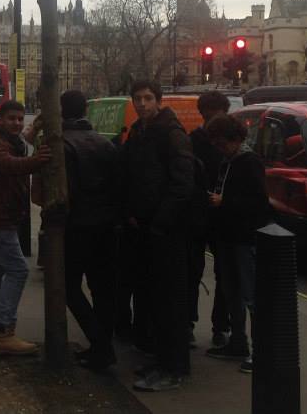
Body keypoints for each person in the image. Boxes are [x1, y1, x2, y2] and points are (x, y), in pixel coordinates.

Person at [121, 80, 195, 392]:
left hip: (168, 230)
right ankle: (162, 359)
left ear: (159, 100)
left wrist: (161, 222)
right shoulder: (140, 131)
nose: (142, 104)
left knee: (171, 302)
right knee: (154, 300)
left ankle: (175, 368)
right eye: (137, 98)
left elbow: (182, 183)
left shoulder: (171, 133)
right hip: (147, 227)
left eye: (148, 98)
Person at [0, 99, 50, 355]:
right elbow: (8, 165)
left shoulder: (14, 142)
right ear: (0, 120)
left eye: (20, 119)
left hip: (3, 215)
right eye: (11, 119)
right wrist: (38, 161)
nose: (17, 123)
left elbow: (25, 140)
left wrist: (37, 128)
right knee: (18, 270)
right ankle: (4, 331)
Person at [204, 114, 273, 374]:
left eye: (222, 144)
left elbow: (258, 202)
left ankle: (261, 351)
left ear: (235, 139)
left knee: (250, 295)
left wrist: (224, 202)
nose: (219, 148)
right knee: (232, 294)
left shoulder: (249, 162)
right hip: (227, 236)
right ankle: (238, 342)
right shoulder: (228, 161)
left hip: (245, 238)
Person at [57, 89, 119, 371]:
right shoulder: (103, 143)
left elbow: (64, 193)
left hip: (77, 226)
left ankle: (102, 346)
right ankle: (102, 345)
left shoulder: (63, 144)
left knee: (69, 288)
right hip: (106, 225)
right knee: (102, 287)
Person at [189, 90, 232, 348]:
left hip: (219, 215)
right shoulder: (194, 140)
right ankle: (190, 323)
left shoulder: (229, 144)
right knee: (192, 270)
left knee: (223, 273)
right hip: (199, 212)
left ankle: (220, 326)